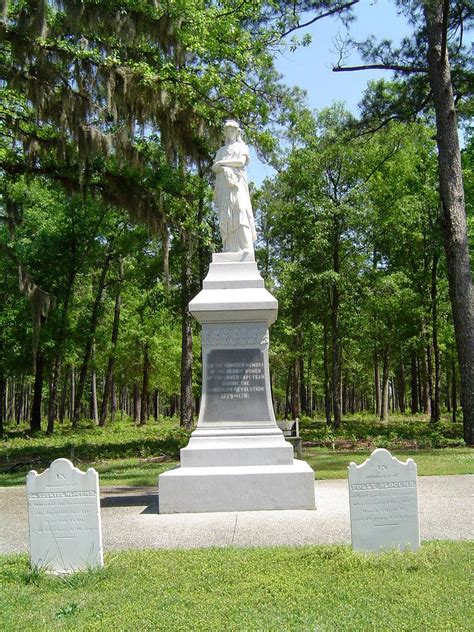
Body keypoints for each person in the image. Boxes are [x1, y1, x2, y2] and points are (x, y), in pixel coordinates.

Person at [212, 120, 257, 255]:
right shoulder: (221, 151)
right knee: (227, 214)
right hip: (224, 185)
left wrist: (223, 163)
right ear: (225, 133)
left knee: (241, 210)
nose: (230, 133)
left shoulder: (242, 147)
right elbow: (214, 168)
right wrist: (220, 165)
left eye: (233, 130)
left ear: (237, 132)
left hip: (238, 185)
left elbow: (241, 162)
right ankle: (229, 248)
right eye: (228, 130)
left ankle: (246, 247)